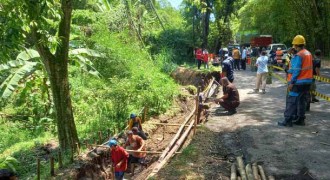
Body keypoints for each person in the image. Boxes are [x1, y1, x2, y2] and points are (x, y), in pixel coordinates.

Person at [278, 35, 313, 127]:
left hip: (298, 82)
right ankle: (301, 119)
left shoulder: (299, 55)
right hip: (308, 81)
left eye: (294, 45)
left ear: (296, 45)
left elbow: (296, 70)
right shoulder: (308, 53)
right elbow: (304, 68)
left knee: (291, 100)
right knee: (302, 100)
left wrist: (292, 82)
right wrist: (288, 70)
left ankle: (288, 120)